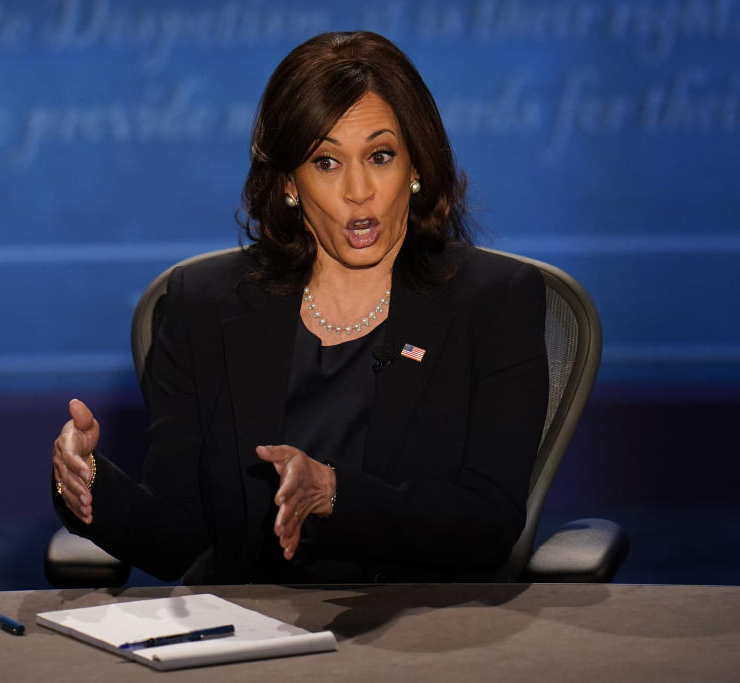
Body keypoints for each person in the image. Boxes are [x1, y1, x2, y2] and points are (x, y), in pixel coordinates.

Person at [51, 31, 548, 583]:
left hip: (419, 633)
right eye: (326, 162)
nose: (359, 190)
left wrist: (334, 493)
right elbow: (180, 540)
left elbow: (487, 523)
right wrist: (88, 482)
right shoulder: (204, 305)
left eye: (380, 156)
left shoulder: (494, 300)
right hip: (249, 639)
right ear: (290, 183)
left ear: (414, 167)